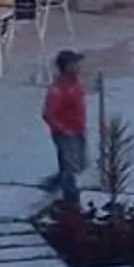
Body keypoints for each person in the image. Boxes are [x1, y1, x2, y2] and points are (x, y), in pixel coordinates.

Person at [40, 49, 88, 207]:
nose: (79, 66)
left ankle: (54, 183)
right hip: (66, 133)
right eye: (75, 63)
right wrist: (62, 129)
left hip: (78, 129)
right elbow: (48, 113)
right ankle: (71, 198)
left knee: (78, 163)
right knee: (70, 166)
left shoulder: (76, 85)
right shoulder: (57, 89)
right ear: (67, 67)